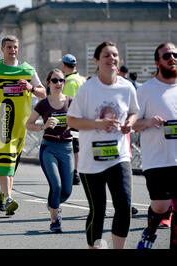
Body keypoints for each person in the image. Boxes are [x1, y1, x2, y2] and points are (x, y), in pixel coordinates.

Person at [67, 41, 139, 249]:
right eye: (106, 55)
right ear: (97, 60)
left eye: (115, 55)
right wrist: (97, 124)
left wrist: (129, 124)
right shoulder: (87, 89)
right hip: (92, 161)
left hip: (119, 156)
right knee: (98, 210)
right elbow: (71, 121)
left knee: (124, 207)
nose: (112, 59)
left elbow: (134, 112)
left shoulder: (127, 87)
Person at [0, 35, 46, 216]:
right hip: (1, 119)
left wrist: (30, 88)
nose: (12, 50)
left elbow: (43, 93)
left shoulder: (28, 70)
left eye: (15, 47)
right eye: (9, 47)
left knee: (13, 163)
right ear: (2, 49)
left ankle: (1, 191)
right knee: (5, 160)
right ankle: (8, 198)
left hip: (22, 123)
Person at [133, 42, 177, 249]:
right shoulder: (146, 90)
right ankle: (149, 233)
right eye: (167, 55)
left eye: (175, 54)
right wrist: (149, 122)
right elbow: (131, 124)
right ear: (157, 62)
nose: (172, 58)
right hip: (157, 159)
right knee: (161, 206)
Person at [26, 69, 74, 233]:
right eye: (55, 80)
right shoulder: (43, 104)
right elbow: (29, 124)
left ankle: (52, 204)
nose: (58, 84)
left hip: (67, 148)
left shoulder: (71, 101)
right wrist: (43, 126)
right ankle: (55, 220)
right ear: (48, 83)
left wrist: (72, 123)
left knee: (67, 191)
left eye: (61, 80)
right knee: (56, 185)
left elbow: (81, 121)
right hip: (49, 148)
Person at [60, 54, 86, 185]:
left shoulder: (69, 81)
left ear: (64, 65)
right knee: (78, 146)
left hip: (73, 118)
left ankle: (74, 173)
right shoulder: (81, 79)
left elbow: (67, 103)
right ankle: (77, 171)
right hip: (82, 117)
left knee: (73, 146)